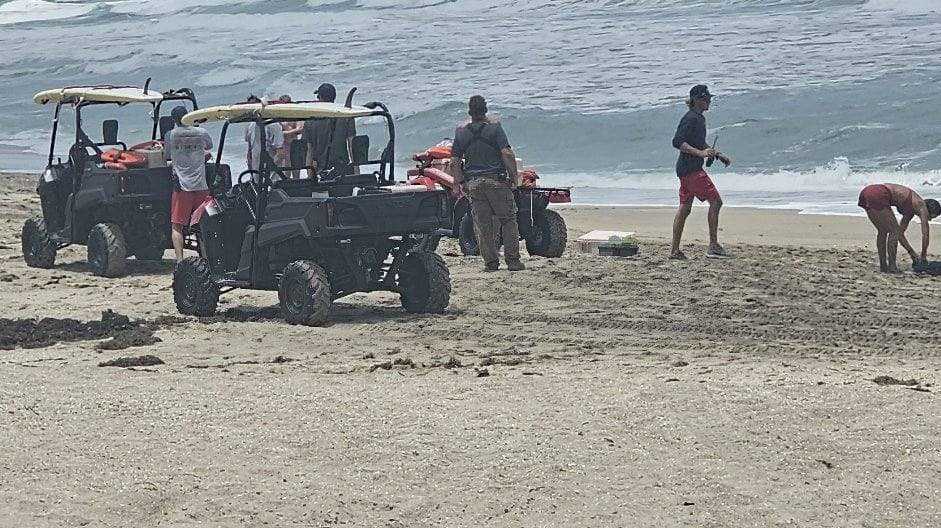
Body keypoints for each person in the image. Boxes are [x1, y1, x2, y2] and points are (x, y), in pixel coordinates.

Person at [450, 95, 524, 272]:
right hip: (495, 182)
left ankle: (491, 263)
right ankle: (512, 261)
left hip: (474, 184)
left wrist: (459, 182)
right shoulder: (495, 129)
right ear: (485, 110)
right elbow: (507, 154)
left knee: (483, 225)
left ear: (470, 111)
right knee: (508, 220)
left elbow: (454, 161)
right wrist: (514, 178)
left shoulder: (461, 132)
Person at [670, 84, 732, 260]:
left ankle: (675, 251)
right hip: (692, 170)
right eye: (706, 98)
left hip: (684, 169)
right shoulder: (691, 118)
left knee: (685, 208)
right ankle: (713, 246)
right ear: (696, 100)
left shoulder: (699, 118)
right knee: (716, 202)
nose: (709, 101)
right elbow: (677, 142)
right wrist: (700, 153)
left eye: (709, 98)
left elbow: (698, 142)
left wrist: (717, 154)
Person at [165, 105, 213, 263]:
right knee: (203, 223)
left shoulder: (170, 135)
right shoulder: (201, 132)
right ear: (189, 116)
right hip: (201, 185)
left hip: (182, 186)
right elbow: (209, 147)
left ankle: (179, 260)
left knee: (177, 225)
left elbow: (166, 156)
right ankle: (206, 257)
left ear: (173, 120)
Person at [858, 183, 940, 272]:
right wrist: (923, 256)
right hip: (879, 193)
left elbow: (900, 234)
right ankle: (892, 267)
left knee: (883, 231)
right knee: (894, 231)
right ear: (931, 209)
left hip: (867, 192)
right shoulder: (921, 205)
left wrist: (912, 254)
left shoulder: (910, 210)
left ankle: (884, 266)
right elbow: (925, 234)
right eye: (931, 216)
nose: (930, 219)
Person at [304, 83, 356, 179]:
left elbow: (309, 151)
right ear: (334, 97)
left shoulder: (310, 121)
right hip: (343, 173)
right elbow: (352, 146)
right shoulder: (346, 117)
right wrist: (357, 174)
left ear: (320, 97)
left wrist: (310, 177)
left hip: (321, 174)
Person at [278, 94, 304, 178]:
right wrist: (292, 132)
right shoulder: (277, 117)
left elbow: (300, 129)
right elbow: (277, 133)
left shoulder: (294, 115)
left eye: (287, 103)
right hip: (283, 146)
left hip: (294, 144)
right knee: (286, 172)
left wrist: (286, 133)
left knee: (296, 172)